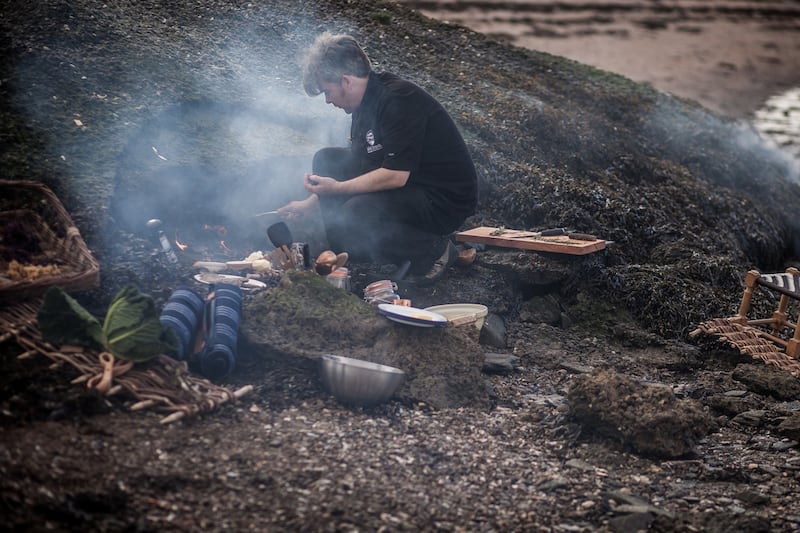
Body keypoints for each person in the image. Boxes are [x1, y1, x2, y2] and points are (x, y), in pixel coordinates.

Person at [278, 32, 478, 285]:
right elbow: (362, 165)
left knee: (358, 211)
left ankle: (434, 251)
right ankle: (346, 247)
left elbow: (395, 175)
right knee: (326, 160)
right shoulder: (362, 106)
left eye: (328, 92)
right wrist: (309, 204)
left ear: (346, 81)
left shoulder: (398, 99)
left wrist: (338, 189)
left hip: (441, 198)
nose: (328, 101)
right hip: (410, 187)